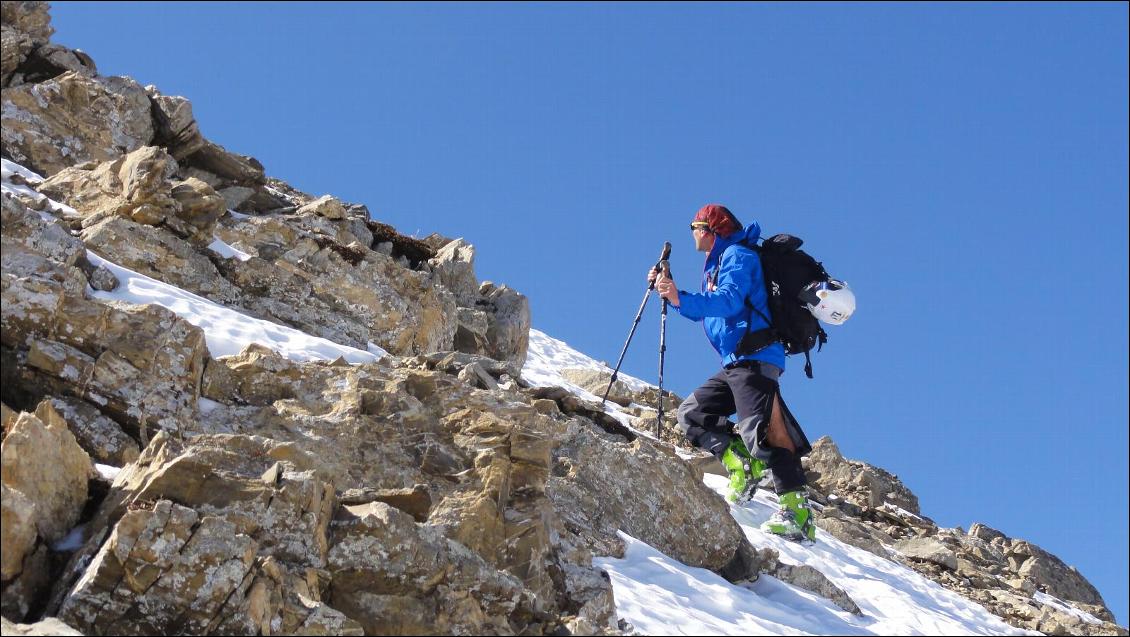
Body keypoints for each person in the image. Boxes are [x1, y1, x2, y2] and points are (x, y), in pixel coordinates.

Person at [650, 203, 816, 541]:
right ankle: (742, 464)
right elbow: (710, 310)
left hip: (754, 355)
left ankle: (797, 512)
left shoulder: (738, 257)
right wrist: (674, 293)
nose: (693, 233)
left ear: (711, 228)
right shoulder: (720, 262)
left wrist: (679, 297)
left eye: (695, 226)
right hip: (737, 360)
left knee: (765, 429)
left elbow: (729, 302)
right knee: (693, 413)